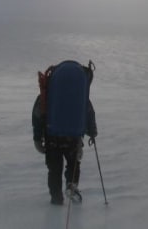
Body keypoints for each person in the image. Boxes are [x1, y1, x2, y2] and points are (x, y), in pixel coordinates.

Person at [32, 61, 98, 205]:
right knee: (74, 163)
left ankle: (56, 198)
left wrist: (37, 138)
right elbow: (88, 112)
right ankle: (71, 185)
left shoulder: (50, 91)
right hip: (73, 138)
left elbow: (38, 112)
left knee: (54, 169)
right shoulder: (80, 95)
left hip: (52, 136)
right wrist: (92, 132)